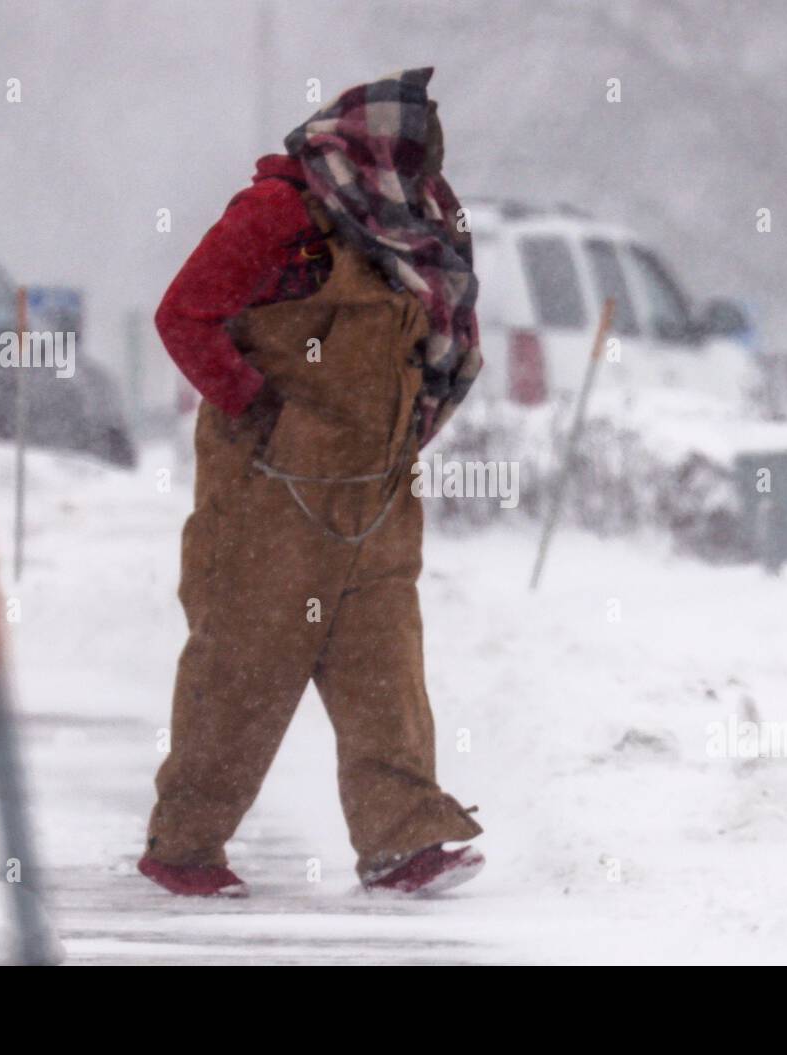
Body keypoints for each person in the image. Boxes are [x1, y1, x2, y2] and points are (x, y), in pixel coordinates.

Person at [139, 68, 485, 897]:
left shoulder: (412, 222)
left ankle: (405, 840)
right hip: (268, 490)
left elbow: (443, 344)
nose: (420, 181)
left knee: (384, 666)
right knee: (243, 664)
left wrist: (407, 433)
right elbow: (182, 314)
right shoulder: (274, 215)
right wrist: (255, 404)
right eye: (404, 161)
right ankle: (184, 846)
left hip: (374, 488)